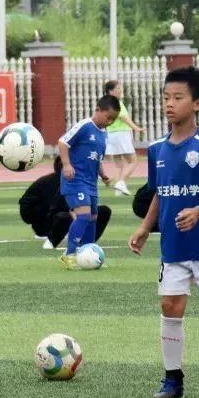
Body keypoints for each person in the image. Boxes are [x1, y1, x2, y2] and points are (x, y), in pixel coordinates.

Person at [128, 65, 199, 398]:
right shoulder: (157, 149)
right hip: (174, 245)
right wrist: (145, 227)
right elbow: (160, 193)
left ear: (197, 103)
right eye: (166, 97)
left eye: (178, 97)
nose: (169, 104)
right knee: (170, 305)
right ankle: (172, 379)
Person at [57, 95, 119, 269]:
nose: (110, 122)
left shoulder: (104, 134)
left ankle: (88, 254)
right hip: (75, 179)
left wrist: (103, 174)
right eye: (108, 117)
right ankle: (68, 255)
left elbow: (97, 158)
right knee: (83, 216)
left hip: (91, 183)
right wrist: (67, 164)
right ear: (98, 110)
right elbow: (63, 142)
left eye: (113, 120)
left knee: (92, 218)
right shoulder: (85, 126)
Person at [19, 157, 112, 250]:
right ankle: (51, 242)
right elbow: (26, 206)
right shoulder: (49, 182)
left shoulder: (79, 182)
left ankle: (86, 243)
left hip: (65, 219)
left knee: (104, 211)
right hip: (46, 223)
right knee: (65, 216)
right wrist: (38, 220)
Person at [103, 80, 144, 197]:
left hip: (111, 135)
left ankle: (118, 190)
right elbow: (124, 118)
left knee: (119, 164)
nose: (120, 90)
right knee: (133, 161)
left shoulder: (105, 103)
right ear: (111, 91)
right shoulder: (116, 103)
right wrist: (136, 128)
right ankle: (121, 182)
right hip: (121, 135)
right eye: (118, 88)